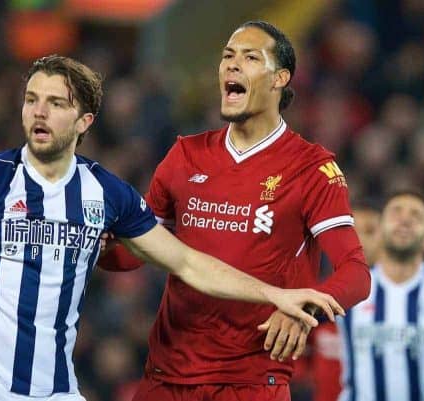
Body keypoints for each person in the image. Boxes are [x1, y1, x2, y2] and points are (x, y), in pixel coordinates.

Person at [0, 55, 344, 401]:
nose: (39, 112)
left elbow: (186, 262)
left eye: (56, 104)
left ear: (84, 122)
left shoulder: (106, 194)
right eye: (32, 99)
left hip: (57, 388)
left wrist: (275, 294)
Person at [98, 21, 371, 401]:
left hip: (252, 382)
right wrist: (98, 248)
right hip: (167, 376)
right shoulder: (185, 155)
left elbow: (356, 274)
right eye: (227, 56)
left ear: (280, 78)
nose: (231, 65)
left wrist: (302, 309)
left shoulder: (312, 168)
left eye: (250, 57)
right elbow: (135, 252)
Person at [338, 190, 424, 401]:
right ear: (378, 232)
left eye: (416, 216)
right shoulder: (348, 286)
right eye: (396, 213)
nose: (405, 220)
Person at [304, 201, 381, 401]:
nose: (359, 239)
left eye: (369, 231)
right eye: (351, 231)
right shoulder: (313, 296)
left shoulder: (398, 305)